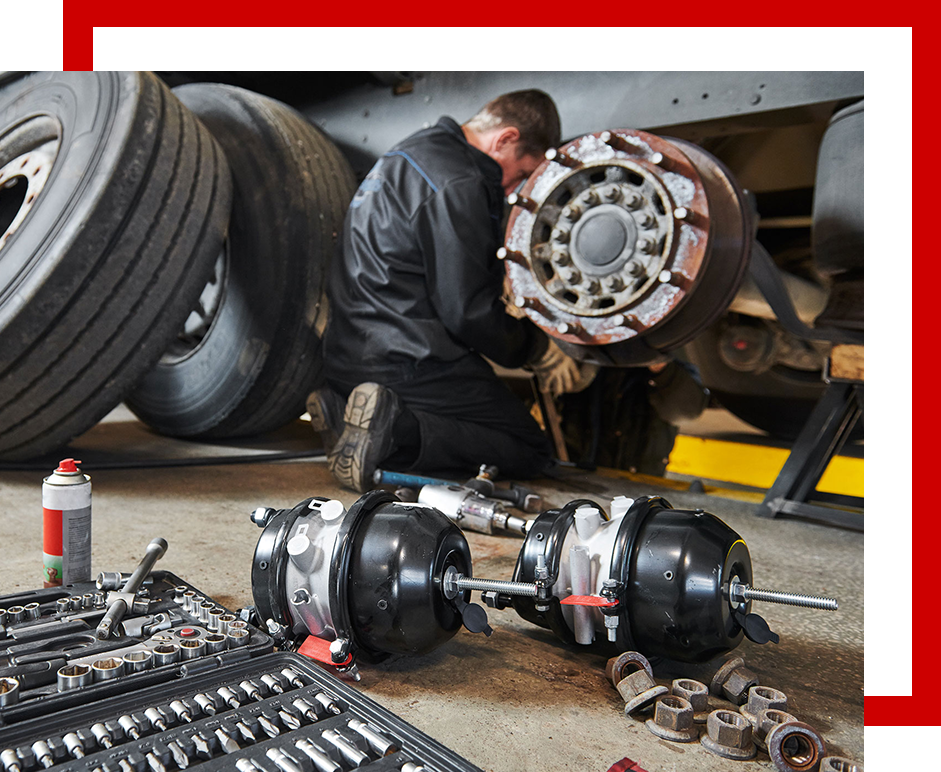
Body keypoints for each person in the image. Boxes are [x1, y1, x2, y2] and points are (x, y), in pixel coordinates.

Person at [308, 90, 581, 492]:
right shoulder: (461, 180)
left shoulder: (410, 152)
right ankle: (396, 430)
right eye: (522, 173)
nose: (514, 191)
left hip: (349, 351)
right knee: (529, 448)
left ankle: (344, 409)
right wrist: (534, 348)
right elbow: (467, 311)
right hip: (405, 359)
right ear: (504, 139)